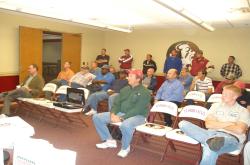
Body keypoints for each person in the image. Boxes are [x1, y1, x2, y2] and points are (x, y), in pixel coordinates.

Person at [179, 85, 250, 165]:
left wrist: (216, 123)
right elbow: (208, 124)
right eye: (223, 93)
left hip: (231, 138)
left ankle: (212, 141)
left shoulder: (243, 111)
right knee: (183, 124)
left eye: (226, 94)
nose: (222, 96)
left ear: (234, 97)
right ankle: (212, 141)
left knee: (210, 148)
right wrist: (228, 124)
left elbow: (239, 130)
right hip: (210, 134)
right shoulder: (215, 106)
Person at [92, 69, 151, 158]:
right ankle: (109, 141)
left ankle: (125, 148)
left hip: (138, 116)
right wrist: (113, 114)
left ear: (138, 79)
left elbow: (138, 109)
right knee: (97, 117)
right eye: (129, 76)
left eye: (131, 76)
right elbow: (117, 103)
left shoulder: (145, 92)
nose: (128, 78)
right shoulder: (125, 89)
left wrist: (122, 118)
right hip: (121, 113)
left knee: (126, 125)